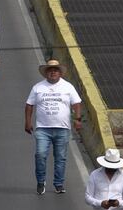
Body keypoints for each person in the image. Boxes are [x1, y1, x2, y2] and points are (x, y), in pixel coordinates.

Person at [25, 59, 83, 196]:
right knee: (40, 155)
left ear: (60, 73)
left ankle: (58, 183)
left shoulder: (68, 87)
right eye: (50, 70)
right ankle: (40, 181)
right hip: (43, 129)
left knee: (60, 157)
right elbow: (29, 105)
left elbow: (77, 103)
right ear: (46, 73)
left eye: (55, 70)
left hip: (62, 128)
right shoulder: (38, 87)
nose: (53, 72)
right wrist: (27, 122)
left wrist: (78, 119)